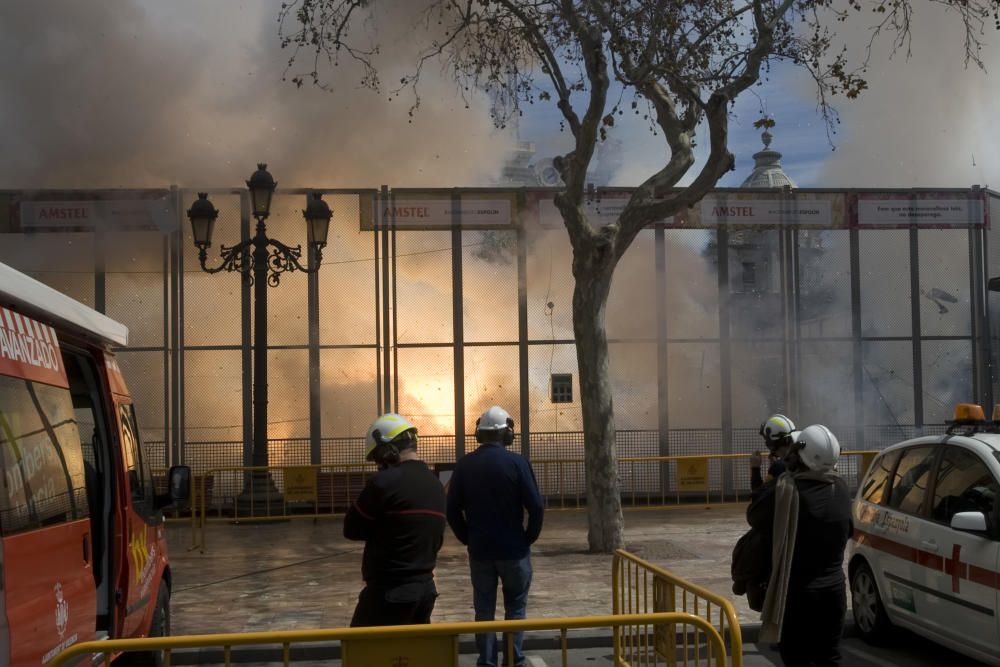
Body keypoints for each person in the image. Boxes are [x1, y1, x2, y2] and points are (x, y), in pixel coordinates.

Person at [447, 406, 545, 667]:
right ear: (507, 434)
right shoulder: (518, 463)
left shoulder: (464, 465)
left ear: (479, 434)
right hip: (514, 550)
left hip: (480, 552)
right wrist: (528, 538)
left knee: (484, 611)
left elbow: (452, 509)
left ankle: (486, 662)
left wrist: (467, 538)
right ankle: (513, 660)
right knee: (515, 608)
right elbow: (535, 506)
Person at [750, 424, 854, 666]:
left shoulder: (786, 489)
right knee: (829, 658)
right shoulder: (840, 488)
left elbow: (754, 515)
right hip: (834, 592)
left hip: (797, 594)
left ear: (801, 456)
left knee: (797, 658)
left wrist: (774, 476)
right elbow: (848, 529)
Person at [344, 413, 447, 627]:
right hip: (425, 590)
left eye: (377, 458)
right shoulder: (435, 484)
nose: (378, 465)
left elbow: (351, 529)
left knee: (361, 653)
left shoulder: (384, 482)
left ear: (387, 451)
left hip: (388, 592)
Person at [751, 414, 797, 494]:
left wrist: (755, 468)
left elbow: (759, 497)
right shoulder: (803, 458)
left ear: (771, 444)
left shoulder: (778, 467)